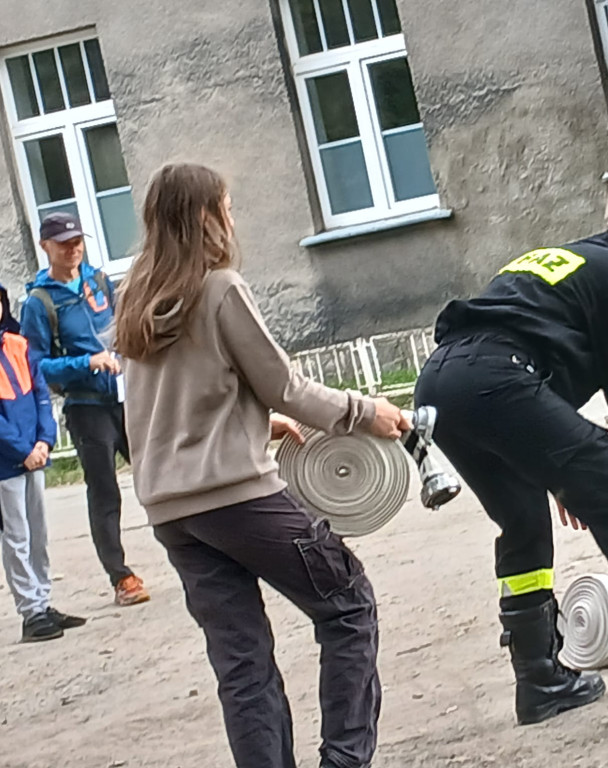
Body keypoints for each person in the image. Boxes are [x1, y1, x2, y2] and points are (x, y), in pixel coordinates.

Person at [115, 163, 409, 768]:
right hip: (237, 499)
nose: (233, 217)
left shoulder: (136, 296)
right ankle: (346, 760)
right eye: (227, 205)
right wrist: (364, 411)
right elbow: (285, 386)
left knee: (241, 664)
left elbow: (172, 397)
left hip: (171, 513)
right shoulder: (218, 287)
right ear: (205, 216)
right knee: (349, 604)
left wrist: (247, 420)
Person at [414, 205, 608, 726]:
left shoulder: (560, 260)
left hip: (441, 385)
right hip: (499, 378)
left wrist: (560, 473)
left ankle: (540, 681)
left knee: (521, 521)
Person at [20, 213, 149, 606]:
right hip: (86, 408)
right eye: (63, 243)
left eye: (77, 240)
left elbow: (121, 326)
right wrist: (86, 363)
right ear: (46, 247)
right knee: (105, 493)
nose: (73, 248)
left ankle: (196, 553)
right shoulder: (39, 303)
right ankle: (121, 577)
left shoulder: (100, 281)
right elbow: (35, 366)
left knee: (159, 477)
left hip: (127, 397)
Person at [0, 281, 86, 642]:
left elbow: (40, 399)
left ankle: (43, 601)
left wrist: (45, 441)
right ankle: (30, 611)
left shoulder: (18, 346)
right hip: (6, 465)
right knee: (16, 537)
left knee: (38, 534)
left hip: (35, 455)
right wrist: (24, 451)